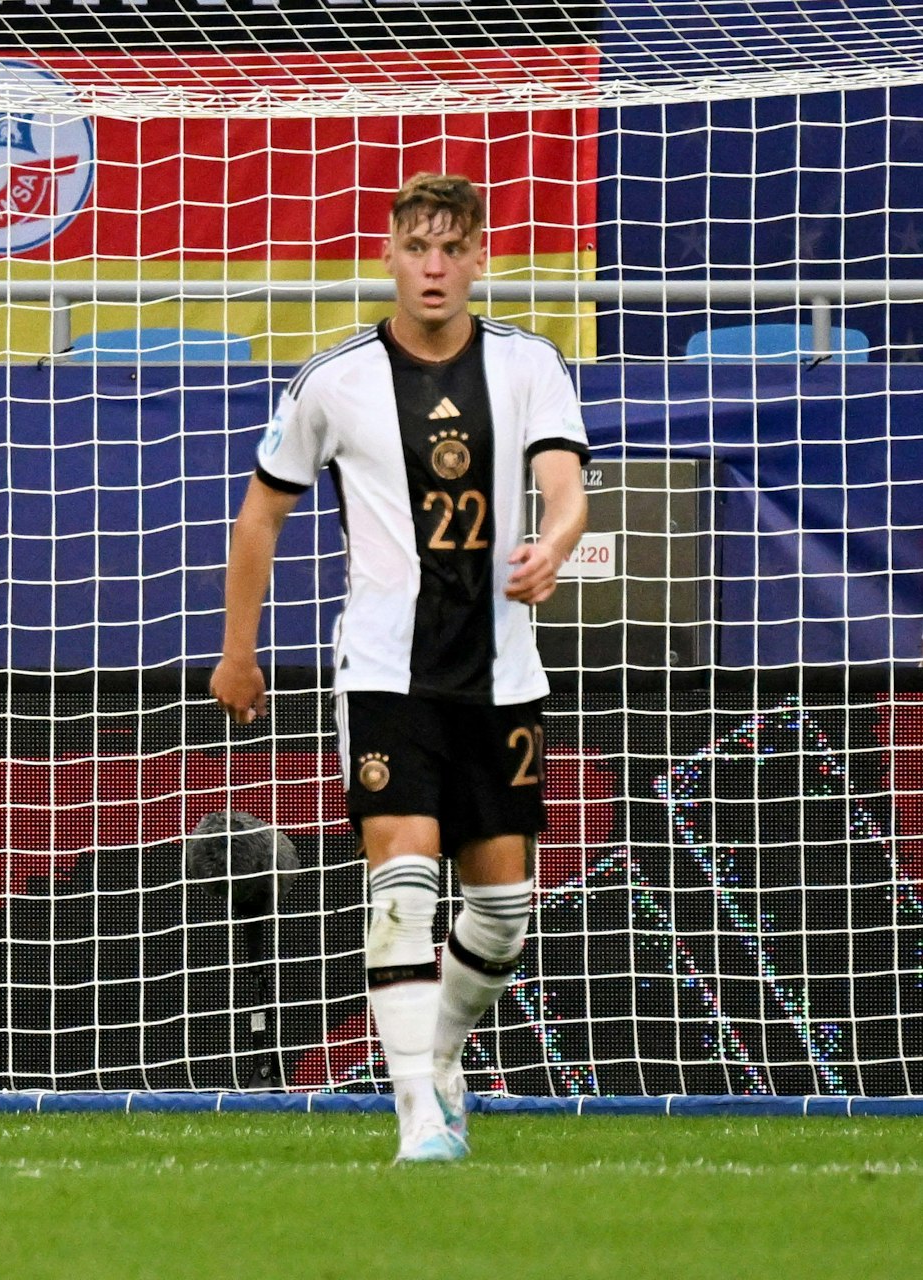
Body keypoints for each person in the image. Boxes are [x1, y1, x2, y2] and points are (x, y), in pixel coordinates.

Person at [211, 174, 589, 1162]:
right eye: (415, 245)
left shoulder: (528, 367)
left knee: (500, 911)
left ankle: (443, 1052)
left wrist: (551, 543)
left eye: (450, 246)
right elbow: (260, 512)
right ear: (385, 254)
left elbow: (564, 484)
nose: (432, 264)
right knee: (402, 886)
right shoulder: (331, 381)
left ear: (477, 259)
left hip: (504, 673)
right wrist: (238, 648)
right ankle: (417, 1110)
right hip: (383, 670)